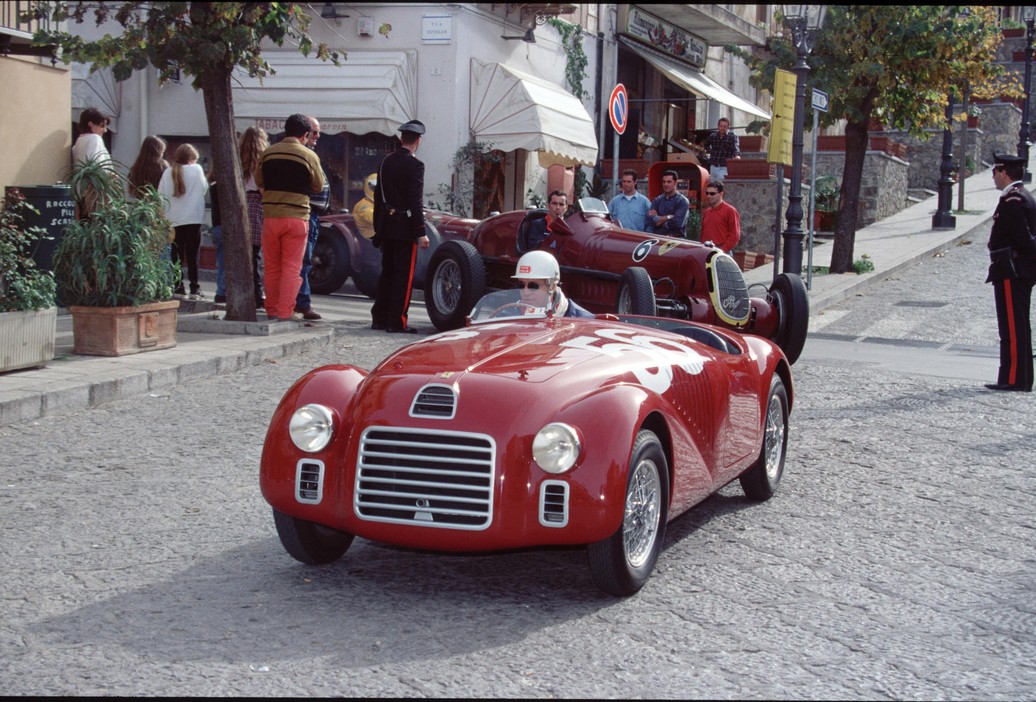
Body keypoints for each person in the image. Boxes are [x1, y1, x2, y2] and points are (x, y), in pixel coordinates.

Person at [254, 114, 325, 322]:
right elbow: (318, 185)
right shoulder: (309, 156)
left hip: (271, 217)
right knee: (292, 268)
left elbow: (259, 179)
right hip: (297, 218)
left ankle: (272, 309)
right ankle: (286, 312)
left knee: (272, 266)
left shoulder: (268, 153)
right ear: (305, 134)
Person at [370, 119, 430, 334]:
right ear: (418, 141)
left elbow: (378, 198)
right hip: (405, 227)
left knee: (387, 272)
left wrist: (378, 228)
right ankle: (396, 321)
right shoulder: (416, 165)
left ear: (401, 138)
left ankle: (379, 317)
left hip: (386, 226)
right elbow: (416, 201)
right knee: (403, 276)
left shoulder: (386, 161)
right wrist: (421, 231)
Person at [985, 153, 1036, 392]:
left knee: (1013, 327)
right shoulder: (1020, 196)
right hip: (1015, 269)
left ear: (1003, 173)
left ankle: (1015, 379)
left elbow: (1023, 239)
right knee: (1016, 324)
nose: (993, 177)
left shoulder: (1014, 201)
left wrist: (1021, 261)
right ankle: (1015, 376)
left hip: (1011, 269)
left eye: (994, 172)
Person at [158, 143, 209, 299]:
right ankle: (195, 288)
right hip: (193, 218)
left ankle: (178, 287)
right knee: (193, 254)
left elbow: (160, 196)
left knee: (176, 254)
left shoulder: (168, 172)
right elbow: (204, 188)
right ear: (192, 158)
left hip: (173, 219)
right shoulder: (197, 170)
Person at [294, 116, 331, 321]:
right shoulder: (304, 155)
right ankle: (301, 304)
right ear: (305, 133)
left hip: (312, 215)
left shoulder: (310, 154)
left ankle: (300, 303)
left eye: (318, 132)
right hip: (305, 214)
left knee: (304, 261)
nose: (318, 136)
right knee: (303, 261)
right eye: (315, 132)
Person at [511, 250, 593, 318]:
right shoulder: (506, 315)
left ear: (552, 287)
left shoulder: (581, 320)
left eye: (533, 286)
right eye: (521, 285)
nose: (526, 292)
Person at [239, 126, 268, 309]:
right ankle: (258, 295)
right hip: (258, 202)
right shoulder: (262, 161)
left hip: (242, 203)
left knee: (247, 253)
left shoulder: (239, 159)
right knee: (257, 253)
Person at [700, 180, 741, 252]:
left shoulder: (730, 210)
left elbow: (734, 236)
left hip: (722, 251)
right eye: (707, 193)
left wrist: (721, 250)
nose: (709, 196)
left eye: (712, 193)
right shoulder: (707, 212)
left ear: (721, 194)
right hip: (706, 250)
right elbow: (703, 234)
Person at [646, 170, 690, 236]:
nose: (665, 184)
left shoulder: (682, 201)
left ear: (675, 183)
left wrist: (658, 222)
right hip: (659, 239)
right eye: (664, 182)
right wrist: (668, 217)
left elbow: (677, 223)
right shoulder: (657, 200)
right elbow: (649, 220)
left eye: (669, 182)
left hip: (676, 241)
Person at [207, 170, 225, 303]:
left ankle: (220, 291)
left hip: (217, 225)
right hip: (225, 226)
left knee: (221, 260)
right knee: (226, 261)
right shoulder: (224, 187)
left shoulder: (213, 186)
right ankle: (222, 291)